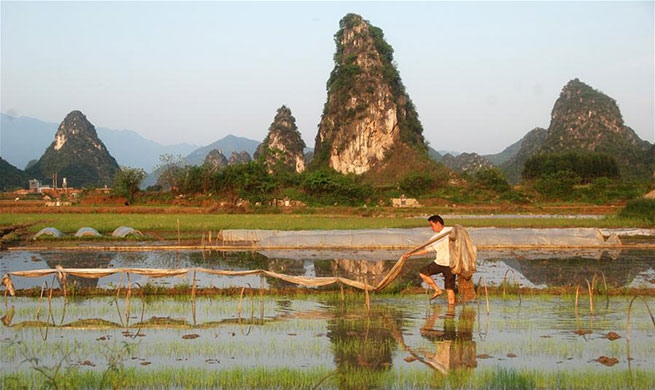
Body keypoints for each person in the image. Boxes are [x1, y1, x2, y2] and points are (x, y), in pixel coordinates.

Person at [401, 215, 455, 305]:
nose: (432, 228)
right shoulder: (434, 238)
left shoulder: (451, 231)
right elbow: (426, 250)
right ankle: (437, 290)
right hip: (439, 262)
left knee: (449, 289)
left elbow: (462, 237)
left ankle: (451, 312)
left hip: (450, 265)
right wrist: (411, 254)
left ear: (438, 223)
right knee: (423, 273)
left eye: (432, 225)